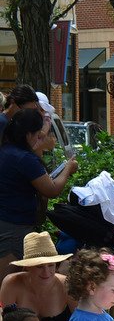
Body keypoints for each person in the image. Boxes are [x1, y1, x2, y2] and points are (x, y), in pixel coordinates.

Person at [0, 112, 75, 278]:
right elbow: (52, 190)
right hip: (15, 226)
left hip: (7, 220)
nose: (40, 139)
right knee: (8, 278)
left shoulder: (7, 150)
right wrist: (68, 169)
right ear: (28, 134)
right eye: (38, 135)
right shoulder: (24, 158)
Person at [0, 233, 71, 321]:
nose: (46, 272)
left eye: (51, 265)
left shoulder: (67, 286)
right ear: (27, 266)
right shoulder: (11, 284)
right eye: (39, 266)